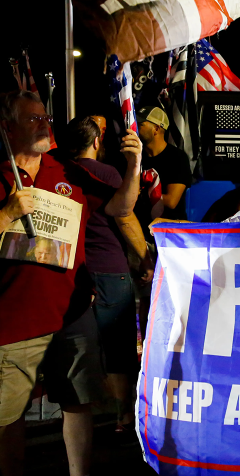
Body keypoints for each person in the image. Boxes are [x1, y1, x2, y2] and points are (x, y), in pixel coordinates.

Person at [0, 90, 142, 476]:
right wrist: (7, 213)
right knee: (7, 415)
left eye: (45, 118)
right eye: (33, 118)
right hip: (11, 323)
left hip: (71, 315)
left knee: (78, 403)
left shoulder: (67, 172)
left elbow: (120, 208)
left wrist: (134, 168)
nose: (45, 124)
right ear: (5, 126)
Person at [68, 116, 154, 433]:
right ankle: (125, 416)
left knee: (80, 345)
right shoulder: (106, 173)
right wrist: (145, 258)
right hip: (109, 268)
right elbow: (125, 217)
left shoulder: (59, 173)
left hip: (74, 270)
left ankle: (79, 414)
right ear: (96, 142)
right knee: (118, 347)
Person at [136, 106, 192, 227]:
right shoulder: (135, 157)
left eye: (140, 124)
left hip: (168, 231)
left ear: (156, 128)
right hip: (140, 228)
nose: (135, 128)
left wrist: (138, 194)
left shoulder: (177, 158)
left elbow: (171, 201)